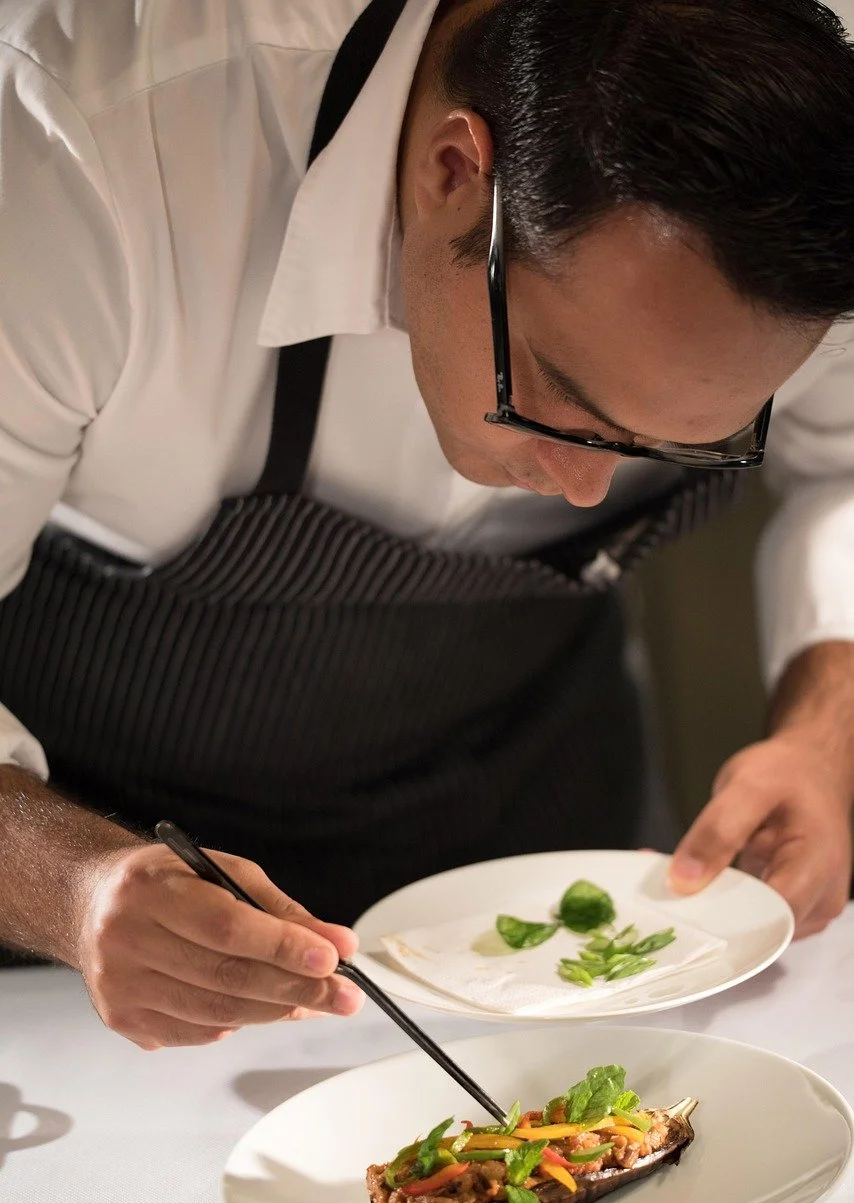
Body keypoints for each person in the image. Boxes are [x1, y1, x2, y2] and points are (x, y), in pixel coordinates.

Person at [0, 0, 853, 1050]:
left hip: (539, 801)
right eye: (556, 394)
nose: (584, 490)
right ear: (454, 173)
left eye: (674, 441)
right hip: (104, 905)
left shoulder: (812, 140)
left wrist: (823, 732)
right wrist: (70, 885)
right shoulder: (78, 147)